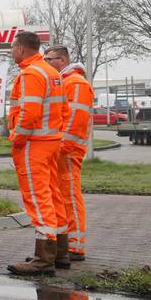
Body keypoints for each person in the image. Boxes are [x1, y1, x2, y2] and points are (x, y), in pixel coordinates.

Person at [6, 31, 70, 276]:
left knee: (38, 197)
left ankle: (43, 259)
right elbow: (63, 110)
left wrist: (17, 139)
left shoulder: (31, 74)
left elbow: (29, 114)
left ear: (21, 49)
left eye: (13, 47)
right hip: (51, 142)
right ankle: (60, 252)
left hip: (34, 144)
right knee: (53, 196)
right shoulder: (53, 73)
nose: (12, 51)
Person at [44, 45, 93, 266]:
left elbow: (74, 121)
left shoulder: (76, 84)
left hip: (68, 151)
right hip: (61, 150)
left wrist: (61, 148)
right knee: (62, 198)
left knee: (70, 197)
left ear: (62, 60)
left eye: (49, 59)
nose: (45, 62)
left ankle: (75, 246)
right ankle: (65, 246)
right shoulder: (64, 82)